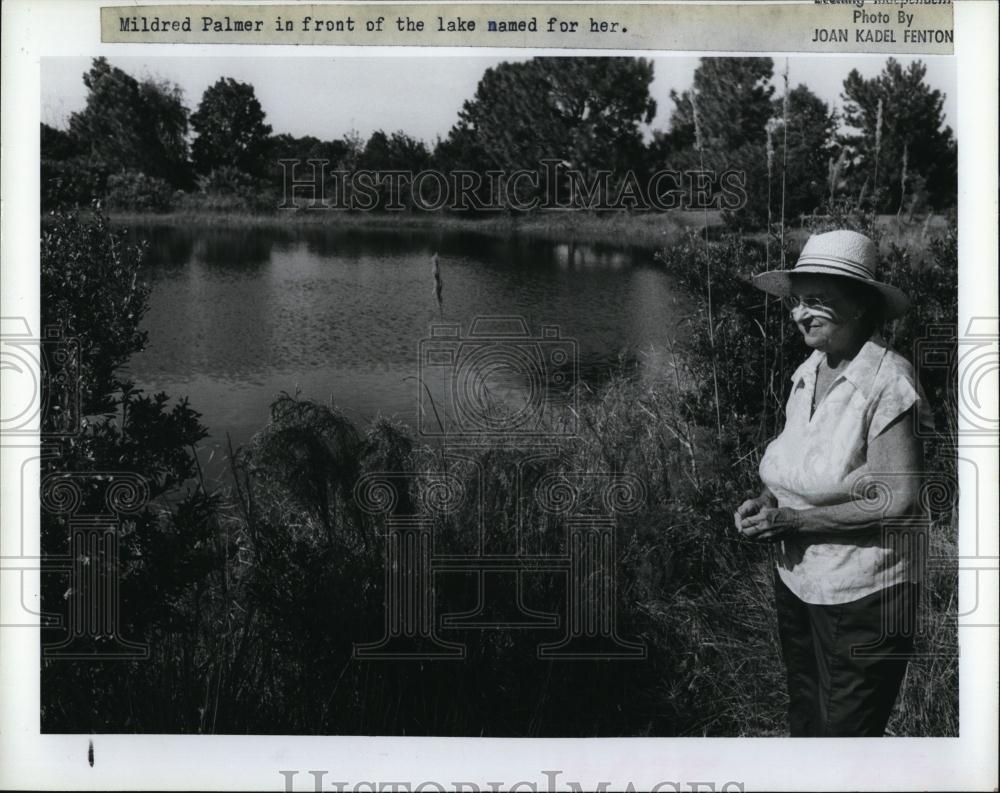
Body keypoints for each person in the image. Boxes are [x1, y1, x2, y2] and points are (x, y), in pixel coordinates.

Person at [735, 229, 934, 737]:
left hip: (863, 596)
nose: (800, 314)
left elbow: (898, 498)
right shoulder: (810, 369)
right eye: (798, 301)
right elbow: (800, 466)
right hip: (799, 583)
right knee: (806, 717)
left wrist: (794, 521)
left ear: (863, 304)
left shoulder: (889, 381)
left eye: (817, 300)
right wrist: (767, 503)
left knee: (847, 737)